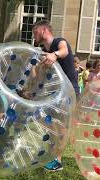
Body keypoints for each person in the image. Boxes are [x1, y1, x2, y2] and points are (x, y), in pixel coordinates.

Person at [32, 20, 79, 171]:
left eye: (35, 31)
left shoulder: (59, 42)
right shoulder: (42, 50)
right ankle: (51, 155)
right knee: (49, 123)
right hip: (56, 93)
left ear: (44, 30)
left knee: (60, 126)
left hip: (69, 92)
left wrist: (55, 54)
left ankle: (57, 161)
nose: (33, 34)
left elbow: (64, 50)